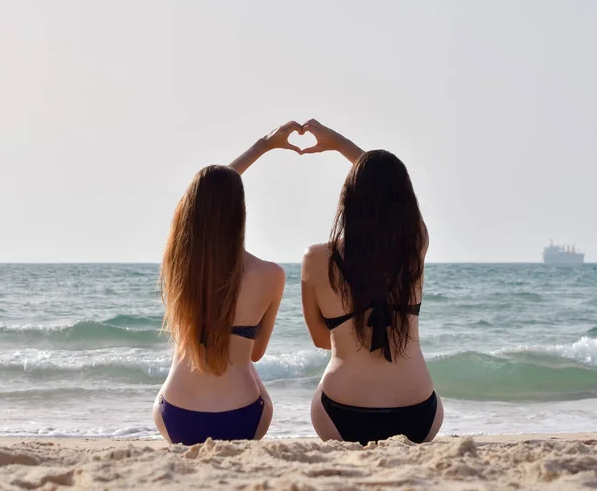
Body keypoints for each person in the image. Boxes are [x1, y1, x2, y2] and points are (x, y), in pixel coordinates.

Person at [153, 122, 302, 445]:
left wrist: (261, 146)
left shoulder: (178, 264)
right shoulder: (271, 275)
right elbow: (257, 353)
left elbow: (194, 204)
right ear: (241, 212)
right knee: (247, 367)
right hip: (243, 417)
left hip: (176, 415)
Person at [300, 119, 443, 445]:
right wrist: (340, 144)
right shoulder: (415, 244)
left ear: (348, 198)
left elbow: (321, 340)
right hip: (420, 414)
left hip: (341, 412)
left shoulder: (315, 258)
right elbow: (393, 191)